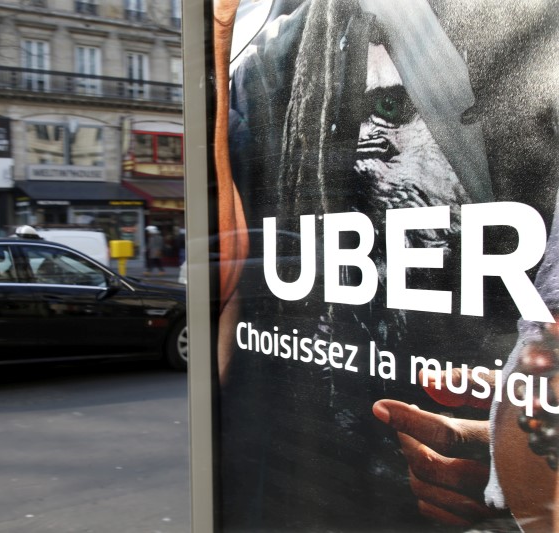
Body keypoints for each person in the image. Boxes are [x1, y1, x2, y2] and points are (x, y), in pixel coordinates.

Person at [212, 0, 559, 530]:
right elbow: (230, 279)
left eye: (391, 113)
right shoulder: (267, 61)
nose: (364, 167)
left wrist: (519, 463)